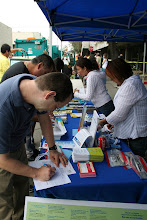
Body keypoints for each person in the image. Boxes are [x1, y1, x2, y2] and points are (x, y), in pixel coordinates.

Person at [0, 72, 73, 219]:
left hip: (17, 144)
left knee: (22, 187)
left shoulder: (37, 85)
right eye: (56, 107)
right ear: (49, 95)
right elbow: (3, 160)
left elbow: (44, 116)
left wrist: (52, 148)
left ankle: (21, 216)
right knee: (4, 198)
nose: (53, 111)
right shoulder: (3, 108)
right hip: (3, 155)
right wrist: (36, 173)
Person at [1, 54, 55, 160]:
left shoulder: (27, 73)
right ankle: (29, 151)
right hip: (8, 136)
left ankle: (30, 150)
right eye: (44, 74)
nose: (42, 78)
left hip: (17, 140)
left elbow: (40, 112)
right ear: (39, 65)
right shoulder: (19, 73)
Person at [99, 58, 147, 158]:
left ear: (118, 74)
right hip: (133, 135)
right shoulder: (129, 83)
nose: (112, 80)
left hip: (135, 137)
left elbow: (120, 114)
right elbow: (125, 109)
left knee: (135, 165)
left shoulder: (131, 85)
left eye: (112, 77)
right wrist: (113, 122)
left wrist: (103, 122)